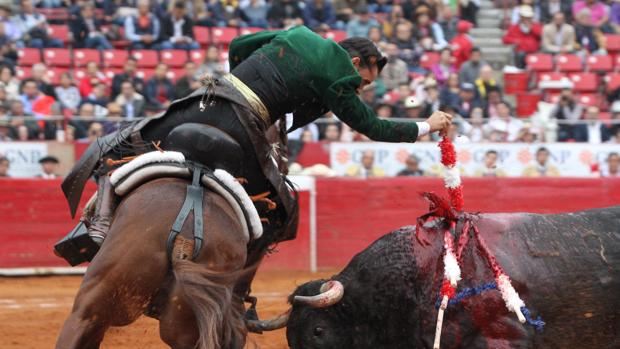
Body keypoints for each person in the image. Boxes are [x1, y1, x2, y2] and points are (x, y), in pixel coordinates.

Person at [60, 27, 452, 273]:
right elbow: (372, 126)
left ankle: (97, 223)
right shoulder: (340, 78)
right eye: (363, 81)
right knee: (281, 209)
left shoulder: (300, 33)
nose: (359, 89)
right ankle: (235, 285)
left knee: (130, 144)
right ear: (356, 62)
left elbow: (240, 43)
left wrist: (243, 80)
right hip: (242, 125)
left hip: (208, 98)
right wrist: (426, 126)